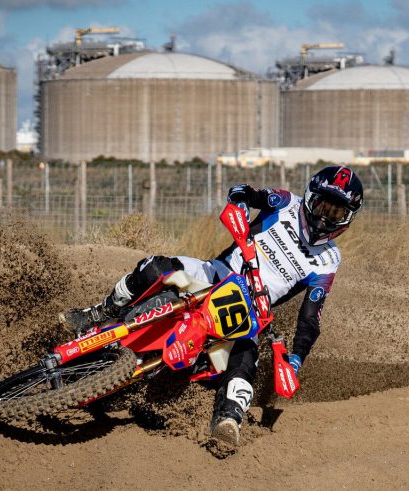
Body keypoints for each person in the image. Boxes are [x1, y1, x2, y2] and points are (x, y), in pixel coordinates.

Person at [59, 166, 364, 445]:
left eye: (337, 213)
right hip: (213, 274)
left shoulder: (328, 261)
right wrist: (241, 204)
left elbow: (311, 317)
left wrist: (296, 360)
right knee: (154, 267)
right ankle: (99, 312)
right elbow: (244, 191)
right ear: (311, 197)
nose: (325, 217)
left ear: (347, 219)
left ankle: (229, 420)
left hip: (251, 311)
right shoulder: (285, 202)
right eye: (323, 205)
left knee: (246, 359)